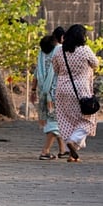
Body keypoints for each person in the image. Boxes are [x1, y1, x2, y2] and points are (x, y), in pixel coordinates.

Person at [52, 24, 99, 162]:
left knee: (67, 120)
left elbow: (55, 69)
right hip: (81, 90)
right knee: (88, 119)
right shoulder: (85, 50)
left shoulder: (59, 51)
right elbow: (96, 63)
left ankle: (71, 153)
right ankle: (73, 141)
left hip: (62, 90)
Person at [35, 30, 66, 160]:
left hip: (43, 92)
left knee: (55, 121)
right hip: (55, 93)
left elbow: (36, 73)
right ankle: (45, 151)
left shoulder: (41, 54)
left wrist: (32, 89)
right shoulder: (60, 51)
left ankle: (63, 150)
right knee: (55, 123)